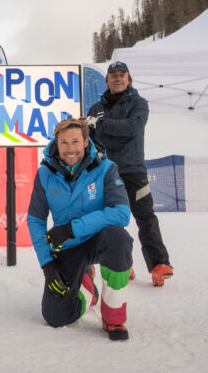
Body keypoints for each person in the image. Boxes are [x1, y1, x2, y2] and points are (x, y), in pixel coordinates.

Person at [27, 118, 134, 341]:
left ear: (86, 142)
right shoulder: (45, 173)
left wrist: (71, 229)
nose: (70, 148)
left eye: (75, 141)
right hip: (70, 246)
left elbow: (122, 213)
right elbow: (35, 219)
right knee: (55, 316)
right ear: (56, 143)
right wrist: (47, 264)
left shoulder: (105, 168)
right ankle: (89, 291)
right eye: (64, 142)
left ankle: (113, 318)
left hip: (100, 239)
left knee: (119, 237)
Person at [86, 61, 174, 287]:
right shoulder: (95, 109)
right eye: (113, 74)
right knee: (107, 220)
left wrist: (103, 126)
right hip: (105, 172)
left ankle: (159, 264)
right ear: (106, 80)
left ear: (128, 79)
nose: (118, 78)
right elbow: (91, 140)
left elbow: (133, 128)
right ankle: (120, 262)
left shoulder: (139, 103)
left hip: (133, 171)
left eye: (122, 74)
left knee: (145, 217)